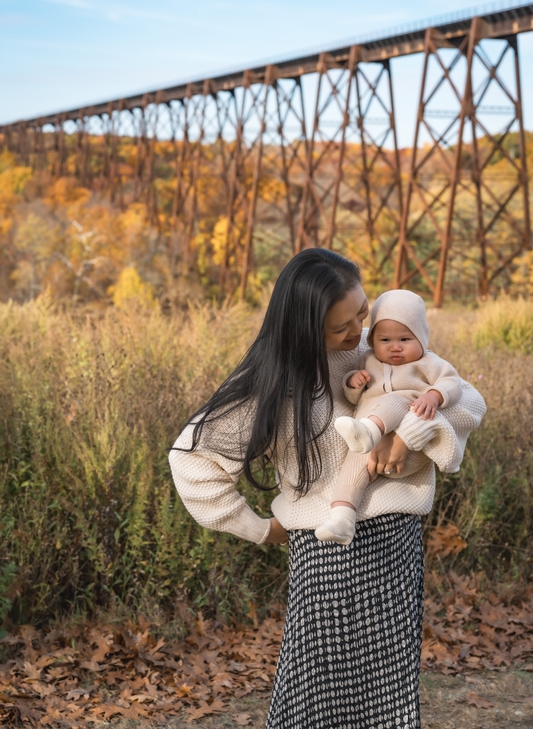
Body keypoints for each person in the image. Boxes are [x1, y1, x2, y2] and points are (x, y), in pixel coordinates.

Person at [169, 249, 486, 729]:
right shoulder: (268, 386)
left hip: (395, 542)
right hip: (326, 554)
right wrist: (260, 529)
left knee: (388, 687)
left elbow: (469, 399)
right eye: (343, 326)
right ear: (304, 326)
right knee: (314, 690)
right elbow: (192, 460)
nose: (359, 330)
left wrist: (408, 435)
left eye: (362, 312)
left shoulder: (373, 351)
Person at [315, 289, 464, 545]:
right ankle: (342, 518)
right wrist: (352, 382)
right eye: (384, 340)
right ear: (373, 340)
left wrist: (434, 396)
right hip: (370, 450)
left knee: (394, 400)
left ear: (422, 338)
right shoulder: (366, 359)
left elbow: (454, 382)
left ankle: (369, 431)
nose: (395, 347)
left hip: (407, 446)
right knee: (351, 471)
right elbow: (352, 399)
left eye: (405, 339)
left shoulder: (428, 362)